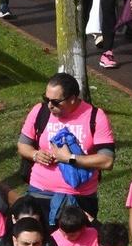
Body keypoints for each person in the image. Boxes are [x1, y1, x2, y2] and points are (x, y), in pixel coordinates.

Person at [18, 73, 115, 221]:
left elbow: (107, 161)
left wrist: (70, 158)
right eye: (46, 99)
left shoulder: (95, 116)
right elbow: (23, 145)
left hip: (79, 197)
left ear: (72, 99)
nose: (50, 105)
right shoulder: (40, 111)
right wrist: (35, 154)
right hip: (40, 191)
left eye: (56, 102)